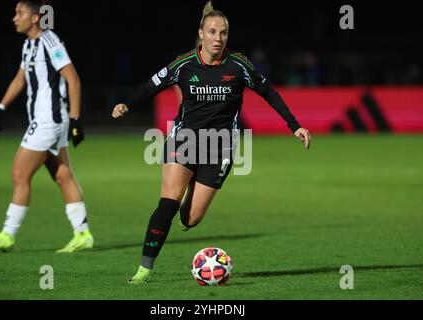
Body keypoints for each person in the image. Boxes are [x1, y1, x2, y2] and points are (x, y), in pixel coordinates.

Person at [112, 1, 311, 284]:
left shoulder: (239, 65)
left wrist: (295, 125)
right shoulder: (183, 64)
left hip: (221, 147)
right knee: (167, 204)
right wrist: (127, 105)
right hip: (185, 140)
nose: (218, 38)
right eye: (213, 32)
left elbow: (269, 93)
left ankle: (190, 190)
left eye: (224, 33)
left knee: (190, 219)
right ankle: (144, 270)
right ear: (201, 34)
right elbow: (151, 86)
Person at [0, 0, 94, 253]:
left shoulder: (49, 41)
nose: (14, 17)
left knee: (20, 174)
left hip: (48, 121)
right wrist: (1, 107)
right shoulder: (28, 45)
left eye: (19, 12)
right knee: (63, 175)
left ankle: (8, 235)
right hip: (43, 120)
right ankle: (83, 233)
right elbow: (20, 80)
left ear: (34, 18)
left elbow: (73, 79)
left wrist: (76, 119)